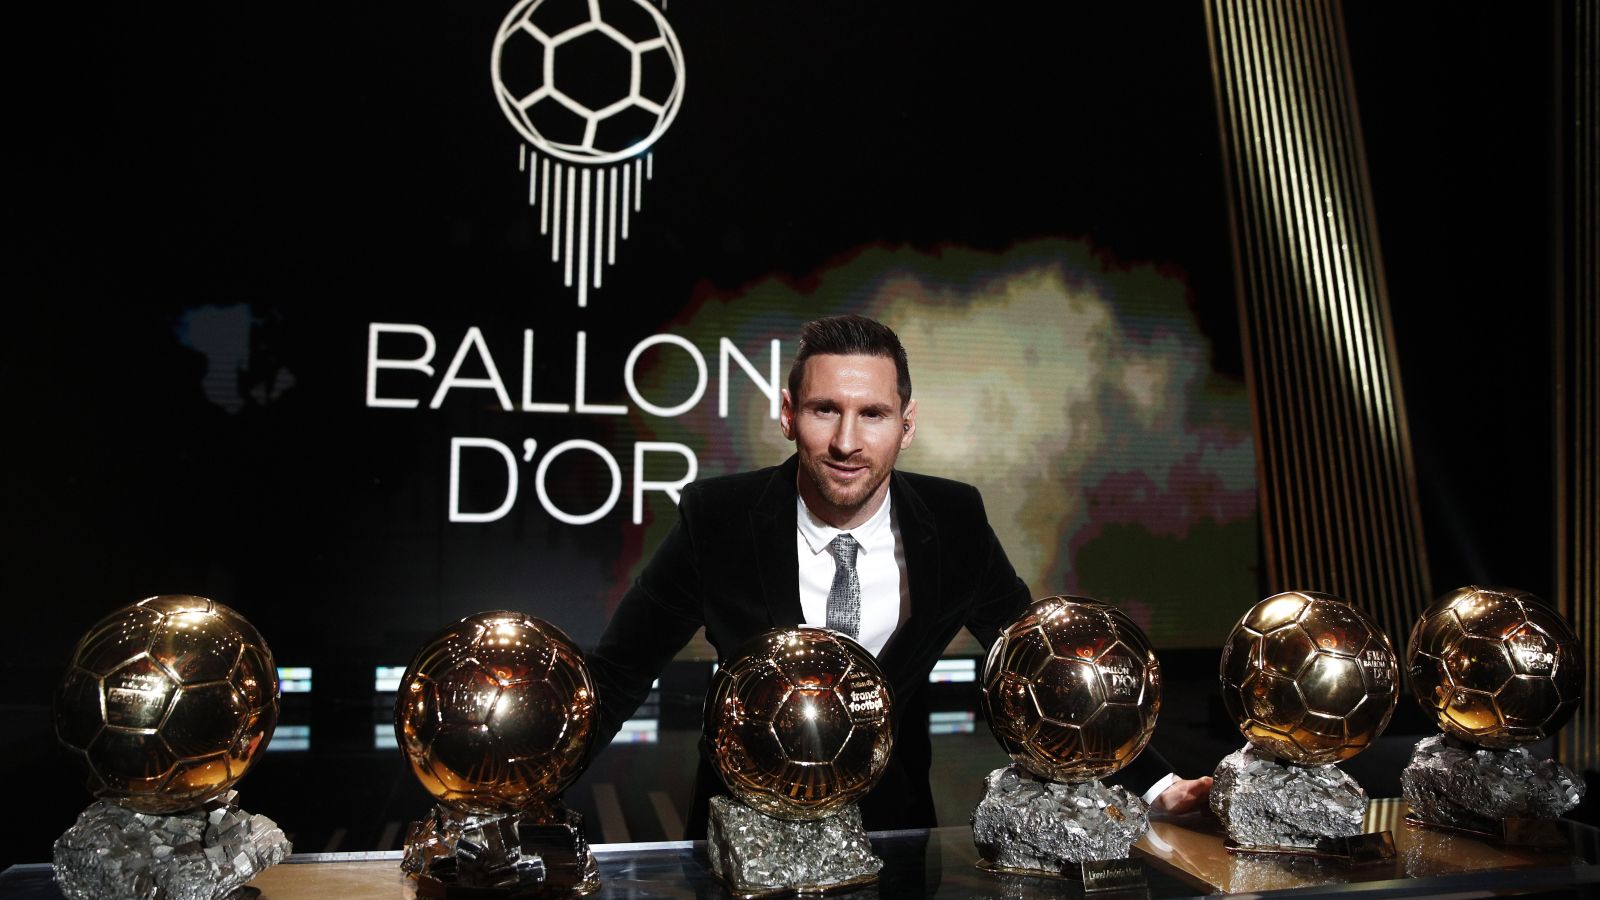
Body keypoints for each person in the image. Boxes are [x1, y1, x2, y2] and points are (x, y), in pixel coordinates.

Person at [587, 314, 1209, 837]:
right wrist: (532, 784)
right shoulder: (716, 519)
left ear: (906, 425)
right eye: (825, 410)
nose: (847, 442)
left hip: (896, 844)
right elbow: (616, 677)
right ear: (787, 414)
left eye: (873, 414)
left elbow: (1042, 671)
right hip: (743, 839)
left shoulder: (954, 519)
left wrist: (1159, 785)